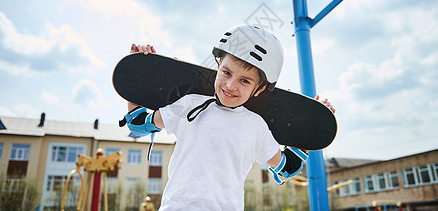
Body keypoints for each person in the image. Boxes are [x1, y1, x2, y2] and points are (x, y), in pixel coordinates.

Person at [122, 24, 334, 210]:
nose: (230, 86)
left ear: (259, 89)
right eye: (226, 73)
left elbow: (285, 169)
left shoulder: (255, 126)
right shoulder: (190, 104)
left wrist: (312, 129)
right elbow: (139, 125)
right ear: (218, 65)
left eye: (245, 81)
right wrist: (140, 72)